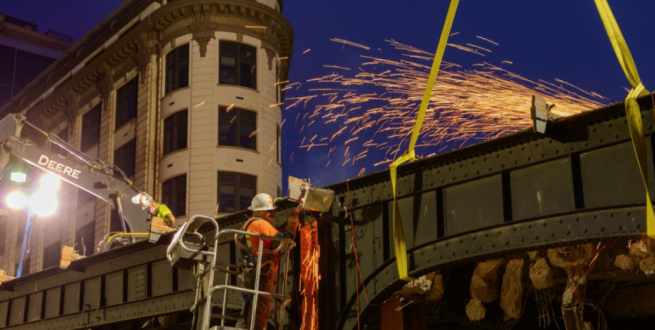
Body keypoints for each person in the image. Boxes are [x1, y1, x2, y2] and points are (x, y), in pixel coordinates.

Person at [236, 193, 300, 330]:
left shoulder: (248, 224)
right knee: (260, 313)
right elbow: (282, 242)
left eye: (273, 211)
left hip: (250, 273)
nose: (272, 214)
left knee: (247, 312)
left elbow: (268, 239)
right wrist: (292, 225)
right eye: (269, 211)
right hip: (261, 274)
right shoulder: (260, 223)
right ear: (258, 211)